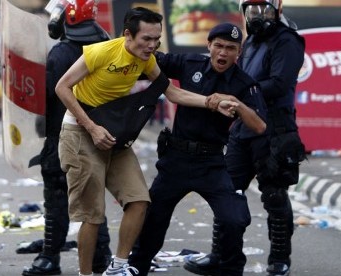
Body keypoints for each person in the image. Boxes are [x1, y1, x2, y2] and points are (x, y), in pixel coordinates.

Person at [55, 7, 240, 276]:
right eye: (146, 39)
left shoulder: (147, 60)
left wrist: (212, 102)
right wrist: (92, 127)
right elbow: (62, 86)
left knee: (139, 200)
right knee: (93, 216)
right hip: (80, 131)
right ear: (128, 35)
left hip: (114, 134)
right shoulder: (101, 51)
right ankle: (85, 274)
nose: (152, 46)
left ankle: (117, 267)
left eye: (157, 39)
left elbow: (173, 93)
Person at [127, 22, 267, 276]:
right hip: (175, 160)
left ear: (239, 52)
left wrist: (238, 104)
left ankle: (231, 269)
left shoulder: (244, 83)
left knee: (233, 219)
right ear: (209, 46)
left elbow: (259, 126)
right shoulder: (189, 63)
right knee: (152, 219)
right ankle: (138, 267)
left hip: (211, 163)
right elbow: (150, 58)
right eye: (219, 46)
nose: (223, 53)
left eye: (231, 48)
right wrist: (133, 41)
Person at [184, 1, 306, 276]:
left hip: (275, 129)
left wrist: (237, 94)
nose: (257, 16)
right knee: (226, 193)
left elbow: (279, 83)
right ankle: (221, 256)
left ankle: (279, 259)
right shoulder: (249, 43)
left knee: (274, 195)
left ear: (278, 10)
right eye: (251, 10)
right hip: (242, 127)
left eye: (263, 9)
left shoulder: (288, 41)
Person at [21, 0, 113, 275]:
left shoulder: (61, 53)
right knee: (93, 200)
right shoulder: (104, 48)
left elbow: (46, 96)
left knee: (57, 200)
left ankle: (50, 257)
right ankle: (101, 256)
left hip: (63, 136)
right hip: (96, 134)